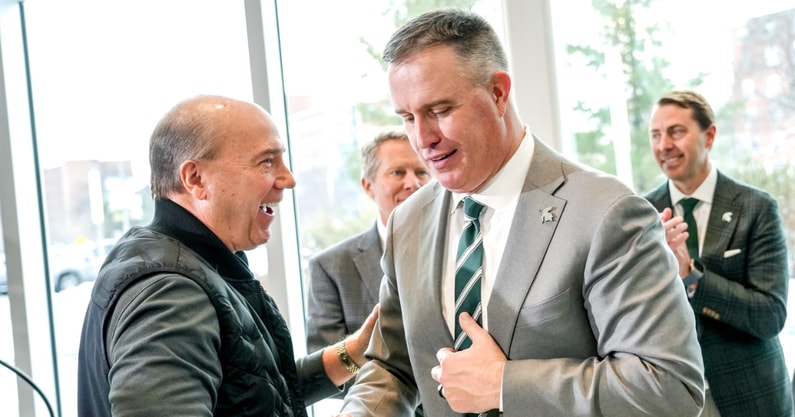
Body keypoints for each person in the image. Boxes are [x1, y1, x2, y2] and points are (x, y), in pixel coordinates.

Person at [338, 8, 704, 417]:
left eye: (439, 111)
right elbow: (392, 365)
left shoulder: (607, 213)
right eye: (408, 117)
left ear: (498, 92)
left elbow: (669, 388)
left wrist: (504, 386)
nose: (423, 139)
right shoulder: (408, 220)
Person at [77, 95, 377, 417]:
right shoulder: (171, 295)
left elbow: (255, 393)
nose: (288, 179)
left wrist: (357, 349)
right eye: (267, 162)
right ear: (195, 179)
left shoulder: (169, 256)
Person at [645, 89, 793, 417]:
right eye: (655, 135)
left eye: (676, 131)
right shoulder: (640, 215)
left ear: (709, 135)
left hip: (751, 397)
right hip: (670, 401)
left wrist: (690, 277)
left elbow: (770, 315)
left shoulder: (757, 208)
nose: (663, 145)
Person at [305, 129, 431, 393]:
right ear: (368, 186)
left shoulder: (462, 246)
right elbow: (327, 375)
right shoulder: (330, 267)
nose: (413, 183)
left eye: (421, 172)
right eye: (397, 173)